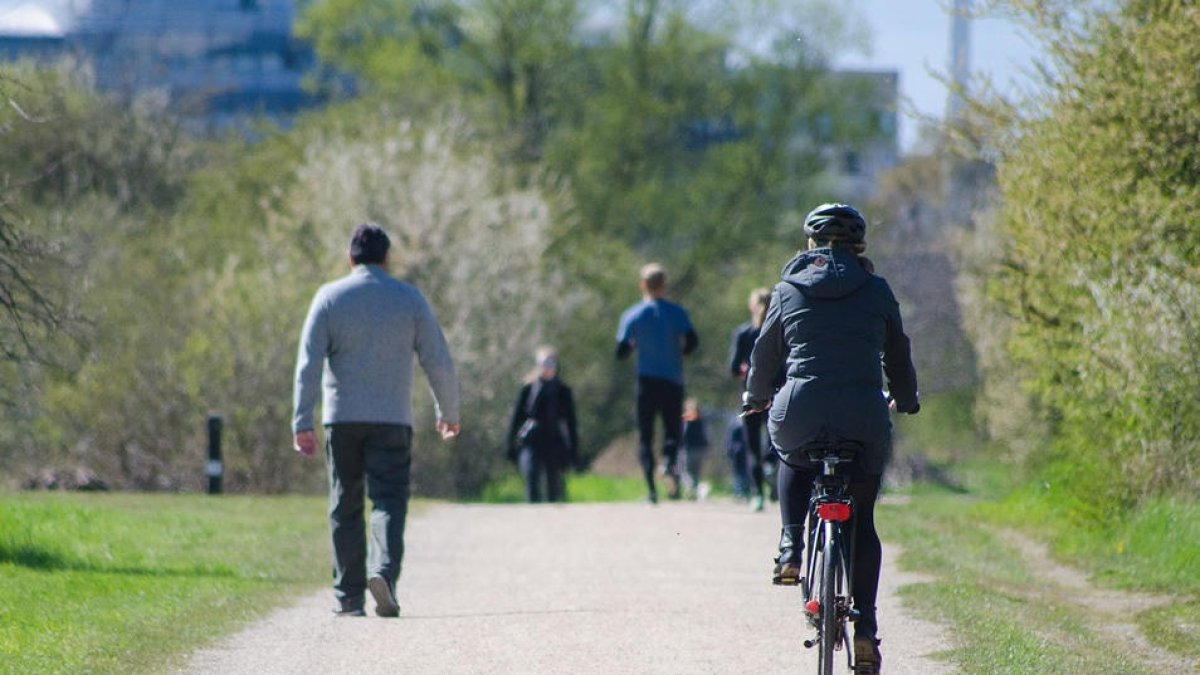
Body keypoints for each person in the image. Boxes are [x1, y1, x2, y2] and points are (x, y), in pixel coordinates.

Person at [743, 203, 919, 674]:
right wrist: (906, 398)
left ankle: (790, 546)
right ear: (859, 246)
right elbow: (897, 355)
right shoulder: (877, 290)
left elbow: (764, 356)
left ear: (810, 244)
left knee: (791, 455)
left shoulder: (786, 289)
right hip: (863, 416)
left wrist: (755, 398)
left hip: (800, 410)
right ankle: (865, 630)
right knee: (863, 523)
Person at [292, 223, 461, 619]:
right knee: (388, 500)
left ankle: (349, 598)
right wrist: (448, 411)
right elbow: (438, 358)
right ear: (387, 259)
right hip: (391, 419)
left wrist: (302, 420)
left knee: (344, 504)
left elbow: (308, 364)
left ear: (350, 258)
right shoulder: (409, 299)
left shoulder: (329, 297)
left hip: (342, 419)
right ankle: (382, 573)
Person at [615, 263, 698, 504]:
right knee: (673, 430)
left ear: (643, 285)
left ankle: (652, 491)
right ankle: (668, 461)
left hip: (646, 382)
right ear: (664, 285)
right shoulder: (676, 312)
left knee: (646, 435)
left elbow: (620, 351)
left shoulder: (632, 315)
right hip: (672, 379)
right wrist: (679, 351)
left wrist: (634, 345)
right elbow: (692, 341)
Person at [506, 346, 579, 503]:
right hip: (532, 440)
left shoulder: (563, 391)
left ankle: (551, 520)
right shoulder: (528, 389)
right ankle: (533, 516)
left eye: (550, 363)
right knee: (531, 476)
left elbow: (571, 423)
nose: (547, 368)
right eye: (544, 364)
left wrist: (573, 450)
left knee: (554, 484)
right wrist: (509, 444)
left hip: (554, 440)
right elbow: (516, 418)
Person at [728, 287, 779, 512]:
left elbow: (732, 367)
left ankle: (757, 494)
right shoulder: (779, 331)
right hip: (776, 394)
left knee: (752, 448)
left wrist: (743, 369)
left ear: (752, 306)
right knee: (775, 438)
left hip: (750, 395)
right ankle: (772, 467)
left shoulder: (744, 333)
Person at [680, 398, 710, 500]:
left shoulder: (687, 419)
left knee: (686, 472)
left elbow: (684, 434)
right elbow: (705, 434)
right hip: (700, 449)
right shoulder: (701, 419)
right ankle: (695, 492)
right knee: (696, 472)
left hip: (689, 449)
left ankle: (692, 489)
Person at [724, 417, 751, 501]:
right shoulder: (735, 425)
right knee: (739, 474)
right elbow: (729, 440)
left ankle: (742, 492)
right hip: (738, 454)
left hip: (742, 454)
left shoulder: (735, 424)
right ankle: (739, 492)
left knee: (742, 473)